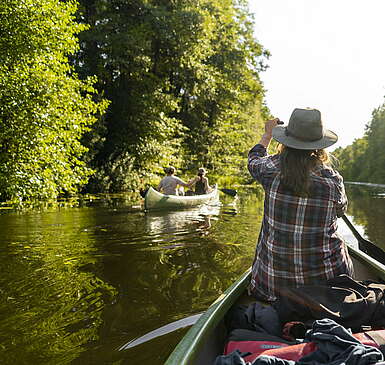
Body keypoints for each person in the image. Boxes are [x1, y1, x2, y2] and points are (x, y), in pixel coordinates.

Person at [248, 107, 354, 302]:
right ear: (319, 146)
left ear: (286, 141)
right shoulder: (333, 180)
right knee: (340, 240)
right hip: (326, 294)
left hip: (272, 290)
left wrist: (267, 134)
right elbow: (341, 211)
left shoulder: (268, 169)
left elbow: (253, 159)